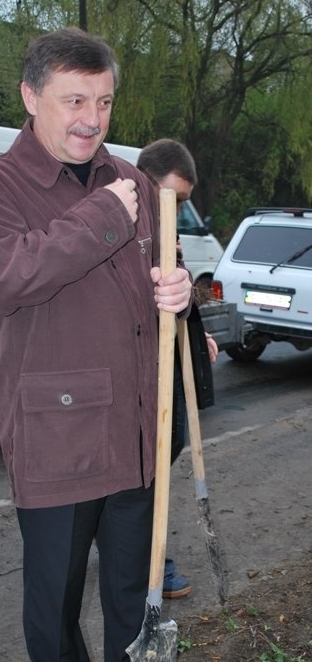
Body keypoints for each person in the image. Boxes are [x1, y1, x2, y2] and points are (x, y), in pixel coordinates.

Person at [0, 28, 207, 662]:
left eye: (103, 102)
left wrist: (178, 292)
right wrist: (104, 216)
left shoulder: (130, 180)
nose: (91, 119)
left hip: (135, 422)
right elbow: (12, 276)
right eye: (74, 101)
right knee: (55, 591)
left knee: (130, 572)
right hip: (55, 431)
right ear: (31, 97)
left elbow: (163, 275)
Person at [137, 139, 218, 599]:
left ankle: (130, 546)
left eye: (184, 201)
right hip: (141, 370)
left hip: (168, 357)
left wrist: (196, 335)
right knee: (146, 470)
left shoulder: (166, 231)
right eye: (175, 198)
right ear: (147, 184)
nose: (180, 209)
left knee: (170, 448)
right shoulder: (128, 229)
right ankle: (147, 560)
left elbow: (180, 295)